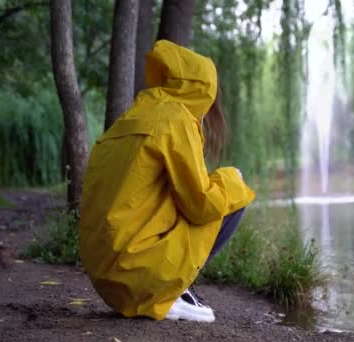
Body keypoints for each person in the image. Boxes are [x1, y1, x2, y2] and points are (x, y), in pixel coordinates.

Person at [79, 40, 256, 323]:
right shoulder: (177, 118)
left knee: (203, 190)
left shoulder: (133, 115)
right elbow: (200, 205)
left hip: (106, 276)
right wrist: (233, 181)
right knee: (233, 189)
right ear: (203, 87)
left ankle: (165, 289)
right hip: (139, 272)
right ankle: (168, 293)